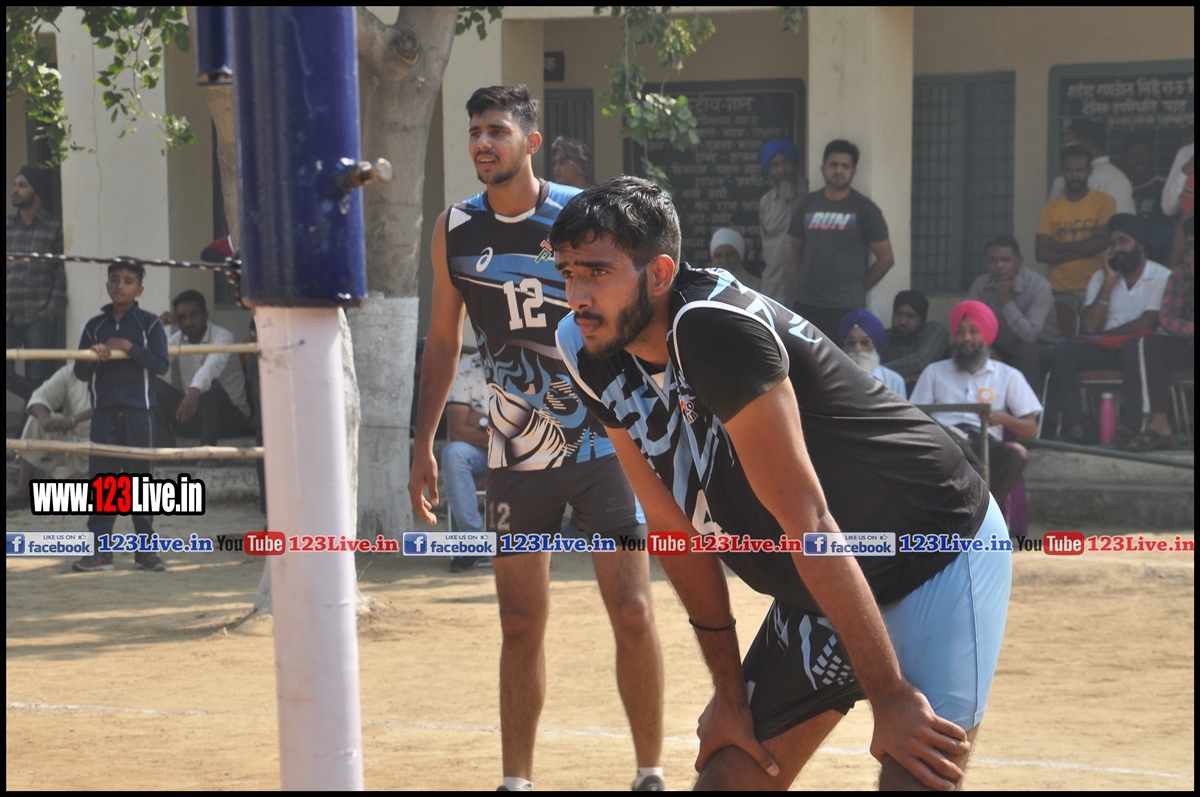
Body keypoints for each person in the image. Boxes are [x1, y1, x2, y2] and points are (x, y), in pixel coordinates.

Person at [552, 176, 1010, 792]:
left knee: (914, 780)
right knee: (727, 783)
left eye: (597, 272)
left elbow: (809, 523)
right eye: (567, 273)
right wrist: (729, 696)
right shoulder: (585, 345)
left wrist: (891, 695)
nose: (577, 296)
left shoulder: (712, 329)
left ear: (658, 273)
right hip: (824, 590)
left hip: (936, 555)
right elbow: (671, 529)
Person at [406, 85, 665, 792]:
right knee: (520, 622)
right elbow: (442, 340)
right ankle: (515, 781)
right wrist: (423, 444)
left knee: (634, 610)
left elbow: (642, 312)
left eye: (497, 130)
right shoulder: (456, 228)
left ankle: (650, 772)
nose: (482, 142)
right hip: (516, 453)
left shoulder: (584, 217)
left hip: (605, 444)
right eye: (475, 131)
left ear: (531, 141)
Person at [70, 262, 170, 572]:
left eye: (128, 281)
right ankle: (100, 552)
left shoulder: (149, 324)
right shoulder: (94, 326)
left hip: (139, 414)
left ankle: (145, 551)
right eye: (114, 280)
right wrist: (93, 355)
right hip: (104, 415)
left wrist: (128, 347)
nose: (120, 286)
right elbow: (80, 373)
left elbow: (161, 364)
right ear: (107, 286)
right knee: (103, 484)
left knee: (141, 483)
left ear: (139, 289)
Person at [1049, 214, 1171, 444]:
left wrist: (1103, 336)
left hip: (1139, 352)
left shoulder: (1161, 276)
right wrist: (1108, 282)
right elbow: (1089, 327)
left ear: (1140, 244)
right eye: (1112, 244)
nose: (1116, 249)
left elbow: (1147, 322)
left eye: (1123, 241)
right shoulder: (1100, 277)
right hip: (1104, 350)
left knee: (1133, 346)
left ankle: (1132, 426)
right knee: (1064, 350)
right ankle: (1075, 427)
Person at [910, 301, 1041, 508]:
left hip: (984, 442)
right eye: (961, 332)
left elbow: (1032, 430)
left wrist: (1004, 418)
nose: (967, 338)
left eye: (974, 331)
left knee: (1017, 455)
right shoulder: (934, 372)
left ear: (986, 335)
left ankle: (987, 511)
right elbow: (914, 418)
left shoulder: (1008, 375)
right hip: (944, 440)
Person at [788, 140, 894, 337]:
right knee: (804, 355)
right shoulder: (806, 204)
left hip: (847, 306)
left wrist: (858, 288)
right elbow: (795, 249)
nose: (838, 170)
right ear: (823, 169)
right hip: (807, 303)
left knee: (843, 356)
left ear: (854, 172)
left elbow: (886, 258)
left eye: (845, 166)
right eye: (833, 164)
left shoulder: (866, 209)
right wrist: (810, 278)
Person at [1123, 215, 1193, 451]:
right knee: (1151, 343)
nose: (1193, 251)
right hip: (1188, 344)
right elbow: (1167, 317)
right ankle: (1159, 423)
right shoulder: (1180, 275)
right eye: (1190, 245)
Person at [154, 290, 254, 447]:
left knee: (209, 387)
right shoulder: (178, 339)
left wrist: (195, 390)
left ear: (205, 315)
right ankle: (166, 452)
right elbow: (150, 361)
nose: (188, 322)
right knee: (152, 386)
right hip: (196, 417)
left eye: (194, 315)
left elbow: (211, 366)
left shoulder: (223, 336)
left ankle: (206, 454)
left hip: (231, 420)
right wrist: (154, 327)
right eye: (182, 317)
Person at [967, 235, 1060, 392]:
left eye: (1005, 260)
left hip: (1041, 349)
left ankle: (1023, 407)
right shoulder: (981, 285)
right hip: (1000, 348)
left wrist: (1006, 302)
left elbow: (1029, 337)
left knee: (1026, 352)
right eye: (993, 261)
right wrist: (986, 347)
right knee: (964, 348)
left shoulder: (1039, 286)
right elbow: (970, 326)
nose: (999, 266)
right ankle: (969, 405)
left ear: (1018, 262)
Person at [7, 165, 66, 398]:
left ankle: (31, 418)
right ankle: (47, 405)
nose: (15, 190)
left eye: (22, 186)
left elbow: (61, 271)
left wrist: (50, 312)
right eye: (15, 185)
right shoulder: (7, 226)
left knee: (37, 377)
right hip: (8, 314)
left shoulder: (54, 227)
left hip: (38, 315)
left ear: (37, 192)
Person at [6, 364, 93, 510]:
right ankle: (23, 490)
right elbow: (39, 396)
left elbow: (107, 408)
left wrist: (74, 420)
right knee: (36, 421)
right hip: (74, 442)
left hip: (104, 447)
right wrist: (44, 418)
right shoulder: (72, 371)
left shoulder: (117, 374)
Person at [1036, 144, 1117, 300]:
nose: (1074, 176)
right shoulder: (1050, 208)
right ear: (1063, 172)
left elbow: (1101, 243)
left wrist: (1060, 246)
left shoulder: (1104, 202)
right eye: (1069, 171)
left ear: (1089, 171)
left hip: (1095, 286)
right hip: (1059, 290)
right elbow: (1041, 254)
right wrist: (1087, 248)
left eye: (1079, 170)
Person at [443, 350, 491, 572]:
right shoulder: (465, 368)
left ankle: (527, 544)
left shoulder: (529, 363)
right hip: (481, 454)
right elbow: (458, 432)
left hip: (520, 453)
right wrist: (499, 428)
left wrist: (479, 420)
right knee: (454, 453)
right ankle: (474, 542)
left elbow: (529, 430)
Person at [756, 138, 806, 305]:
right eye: (775, 165)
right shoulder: (766, 203)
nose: (781, 170)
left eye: (785, 163)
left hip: (802, 288)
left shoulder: (808, 199)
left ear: (794, 165)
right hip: (772, 288)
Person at [1048, 118, 1134, 214]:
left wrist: (1060, 177)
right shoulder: (1114, 175)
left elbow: (1055, 212)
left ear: (1085, 144)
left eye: (1071, 144)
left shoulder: (1091, 176)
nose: (1067, 149)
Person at [1120, 132, 1175, 264]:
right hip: (1130, 259)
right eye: (1133, 155)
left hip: (1160, 258)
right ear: (1125, 159)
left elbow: (1166, 226)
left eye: (1143, 154)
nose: (1139, 159)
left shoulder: (1165, 186)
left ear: (1153, 155)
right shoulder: (1123, 188)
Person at [879, 290, 949, 392]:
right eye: (898, 314)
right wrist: (900, 380)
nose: (902, 321)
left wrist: (879, 371)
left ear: (922, 319)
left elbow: (920, 362)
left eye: (910, 316)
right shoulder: (885, 337)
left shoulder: (934, 331)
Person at [838, 309, 906, 397]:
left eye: (864, 342)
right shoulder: (833, 378)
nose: (857, 349)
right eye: (851, 343)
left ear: (875, 345)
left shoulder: (894, 381)